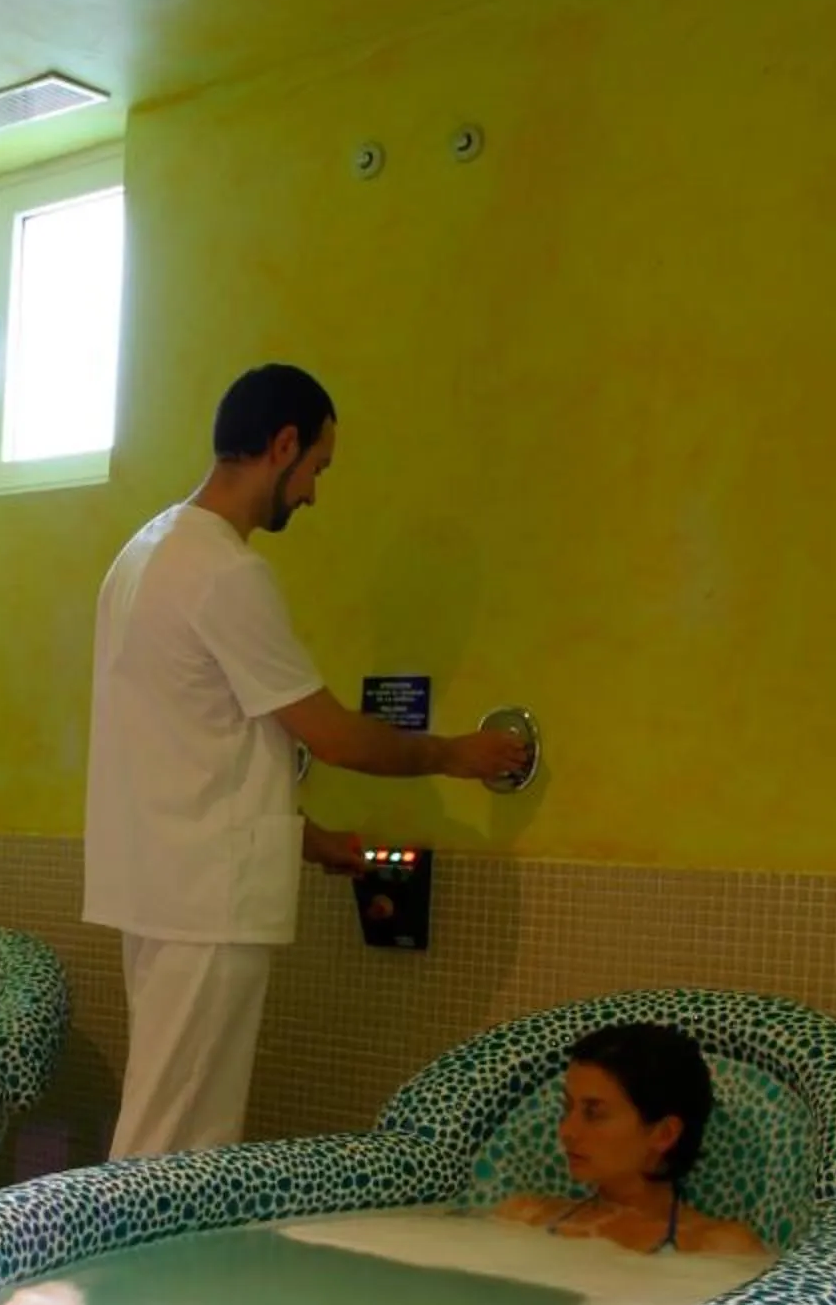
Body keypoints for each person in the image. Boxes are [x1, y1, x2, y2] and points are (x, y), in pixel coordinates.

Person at [84, 363, 530, 1158]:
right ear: (282, 444)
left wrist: (311, 840)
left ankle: (157, 1283)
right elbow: (332, 735)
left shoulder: (142, 555)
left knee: (169, 1129)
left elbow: (193, 748)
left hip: (160, 889)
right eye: (317, 467)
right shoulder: (225, 573)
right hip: (206, 905)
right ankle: (128, 1285)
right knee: (174, 1144)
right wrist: (458, 754)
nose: (314, 493)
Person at [495, 1022, 768, 1255]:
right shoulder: (525, 1218)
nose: (567, 1130)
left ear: (664, 1134)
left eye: (594, 1113)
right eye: (568, 1108)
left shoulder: (718, 1248)